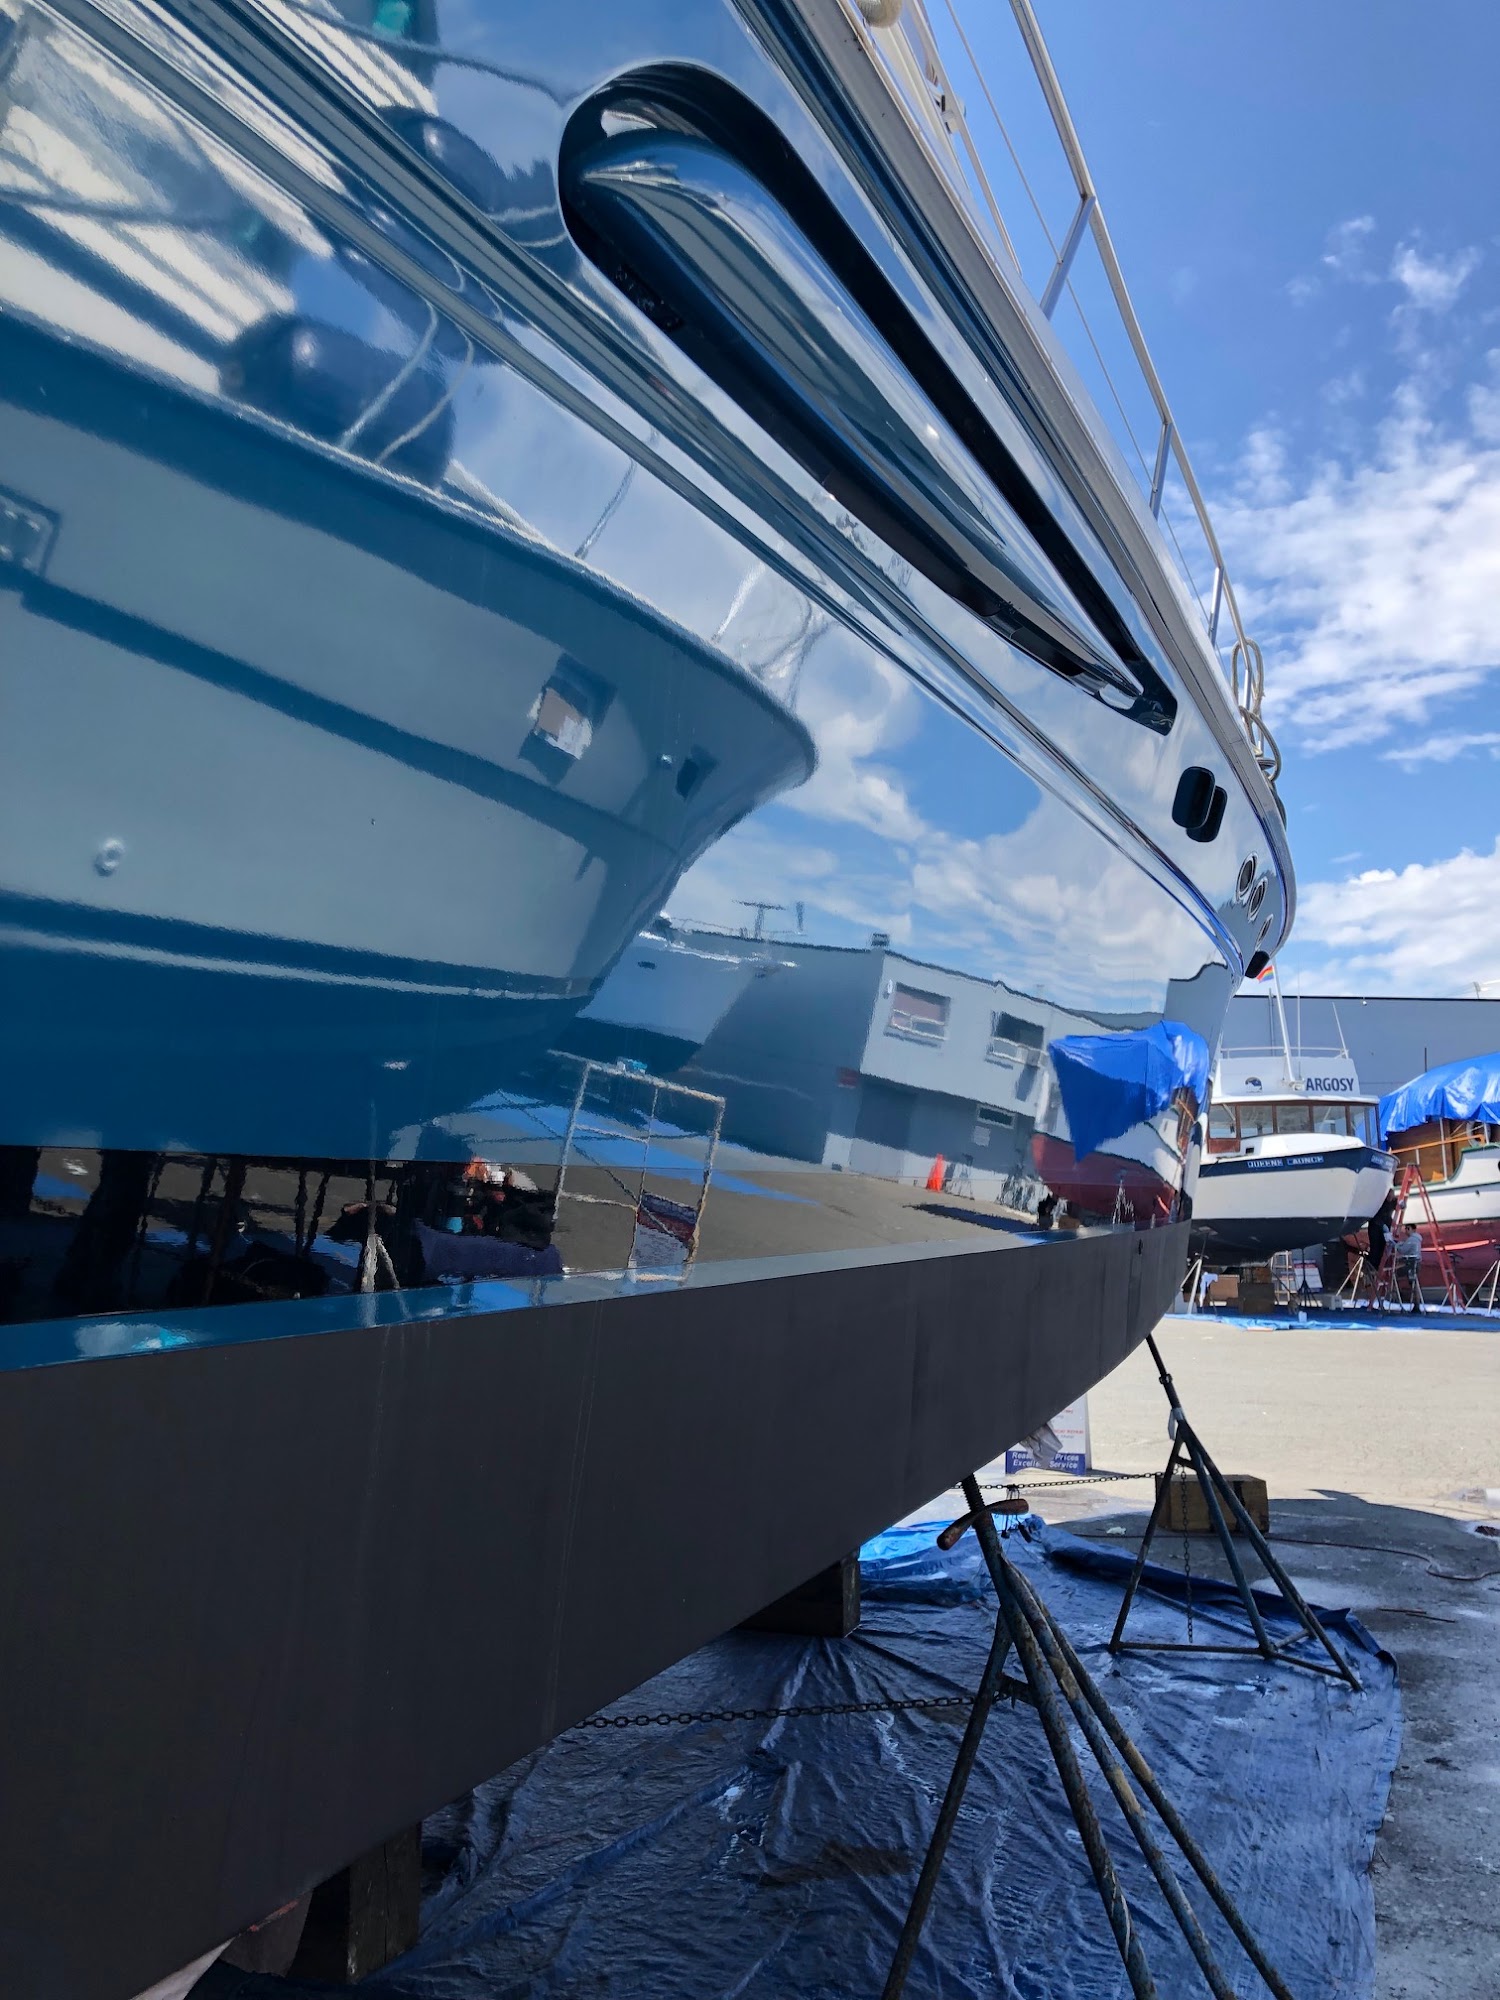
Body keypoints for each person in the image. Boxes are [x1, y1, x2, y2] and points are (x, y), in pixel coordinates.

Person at [1397, 1223, 1425, 1312]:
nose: (1406, 1231)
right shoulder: (1416, 1239)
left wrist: (1395, 1245)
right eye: (1405, 1229)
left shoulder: (1412, 1239)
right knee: (1414, 1283)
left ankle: (1402, 1296)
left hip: (1411, 1264)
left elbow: (1403, 1250)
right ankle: (1416, 1304)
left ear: (1413, 1230)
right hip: (1414, 1263)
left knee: (1396, 1275)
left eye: (1408, 1229)